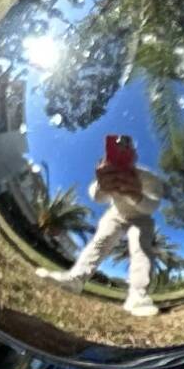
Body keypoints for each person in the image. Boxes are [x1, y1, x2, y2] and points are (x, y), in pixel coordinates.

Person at [60, 132, 165, 313]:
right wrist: (101, 185)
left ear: (134, 155)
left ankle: (137, 295)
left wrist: (136, 195)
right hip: (116, 215)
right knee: (100, 242)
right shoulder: (108, 171)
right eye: (118, 148)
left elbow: (152, 206)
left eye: (127, 149)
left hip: (141, 218)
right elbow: (96, 197)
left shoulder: (149, 178)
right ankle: (75, 280)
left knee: (141, 248)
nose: (122, 151)